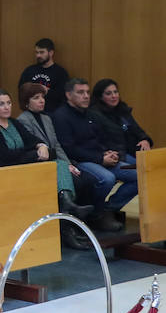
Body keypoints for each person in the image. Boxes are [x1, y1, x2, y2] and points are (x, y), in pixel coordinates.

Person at [15, 83, 97, 248]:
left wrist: (68, 165)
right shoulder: (22, 120)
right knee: (77, 183)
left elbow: (56, 145)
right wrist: (62, 165)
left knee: (88, 180)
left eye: (42, 97)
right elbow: (34, 148)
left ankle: (76, 226)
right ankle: (66, 230)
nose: (41, 101)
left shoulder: (46, 118)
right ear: (26, 102)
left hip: (57, 162)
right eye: (36, 98)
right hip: (40, 165)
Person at [54, 78, 137, 233]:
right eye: (80, 92)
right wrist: (100, 159)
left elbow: (103, 137)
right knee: (107, 178)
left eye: (87, 92)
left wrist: (110, 152)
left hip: (100, 157)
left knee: (138, 176)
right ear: (68, 95)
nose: (86, 96)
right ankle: (96, 215)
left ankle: (106, 209)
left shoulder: (90, 114)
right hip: (79, 161)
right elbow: (69, 149)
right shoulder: (61, 116)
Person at [91, 78, 152, 164]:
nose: (114, 96)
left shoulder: (122, 110)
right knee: (143, 171)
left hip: (131, 151)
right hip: (116, 156)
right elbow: (98, 141)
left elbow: (137, 130)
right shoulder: (95, 115)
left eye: (115, 92)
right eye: (109, 93)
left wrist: (145, 140)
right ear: (100, 97)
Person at [17, 39, 70, 112]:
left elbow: (64, 96)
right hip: (31, 113)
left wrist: (46, 91)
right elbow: (21, 91)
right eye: (36, 52)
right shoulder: (29, 71)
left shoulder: (60, 73)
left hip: (52, 114)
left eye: (42, 52)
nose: (38, 55)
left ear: (51, 53)